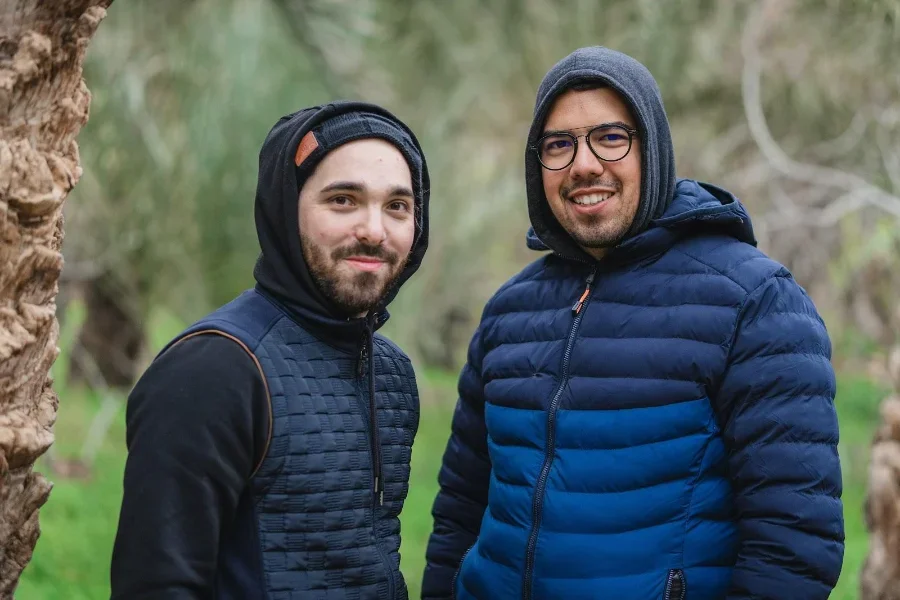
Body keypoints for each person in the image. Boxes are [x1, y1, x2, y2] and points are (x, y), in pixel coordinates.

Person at [422, 47, 843, 600]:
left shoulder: (754, 302)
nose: (584, 164)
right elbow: (458, 512)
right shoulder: (510, 310)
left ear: (655, 150)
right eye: (559, 145)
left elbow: (795, 544)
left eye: (611, 137)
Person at [111, 101, 430, 599]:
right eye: (343, 200)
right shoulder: (215, 369)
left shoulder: (390, 374)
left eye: (397, 206)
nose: (374, 229)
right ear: (287, 209)